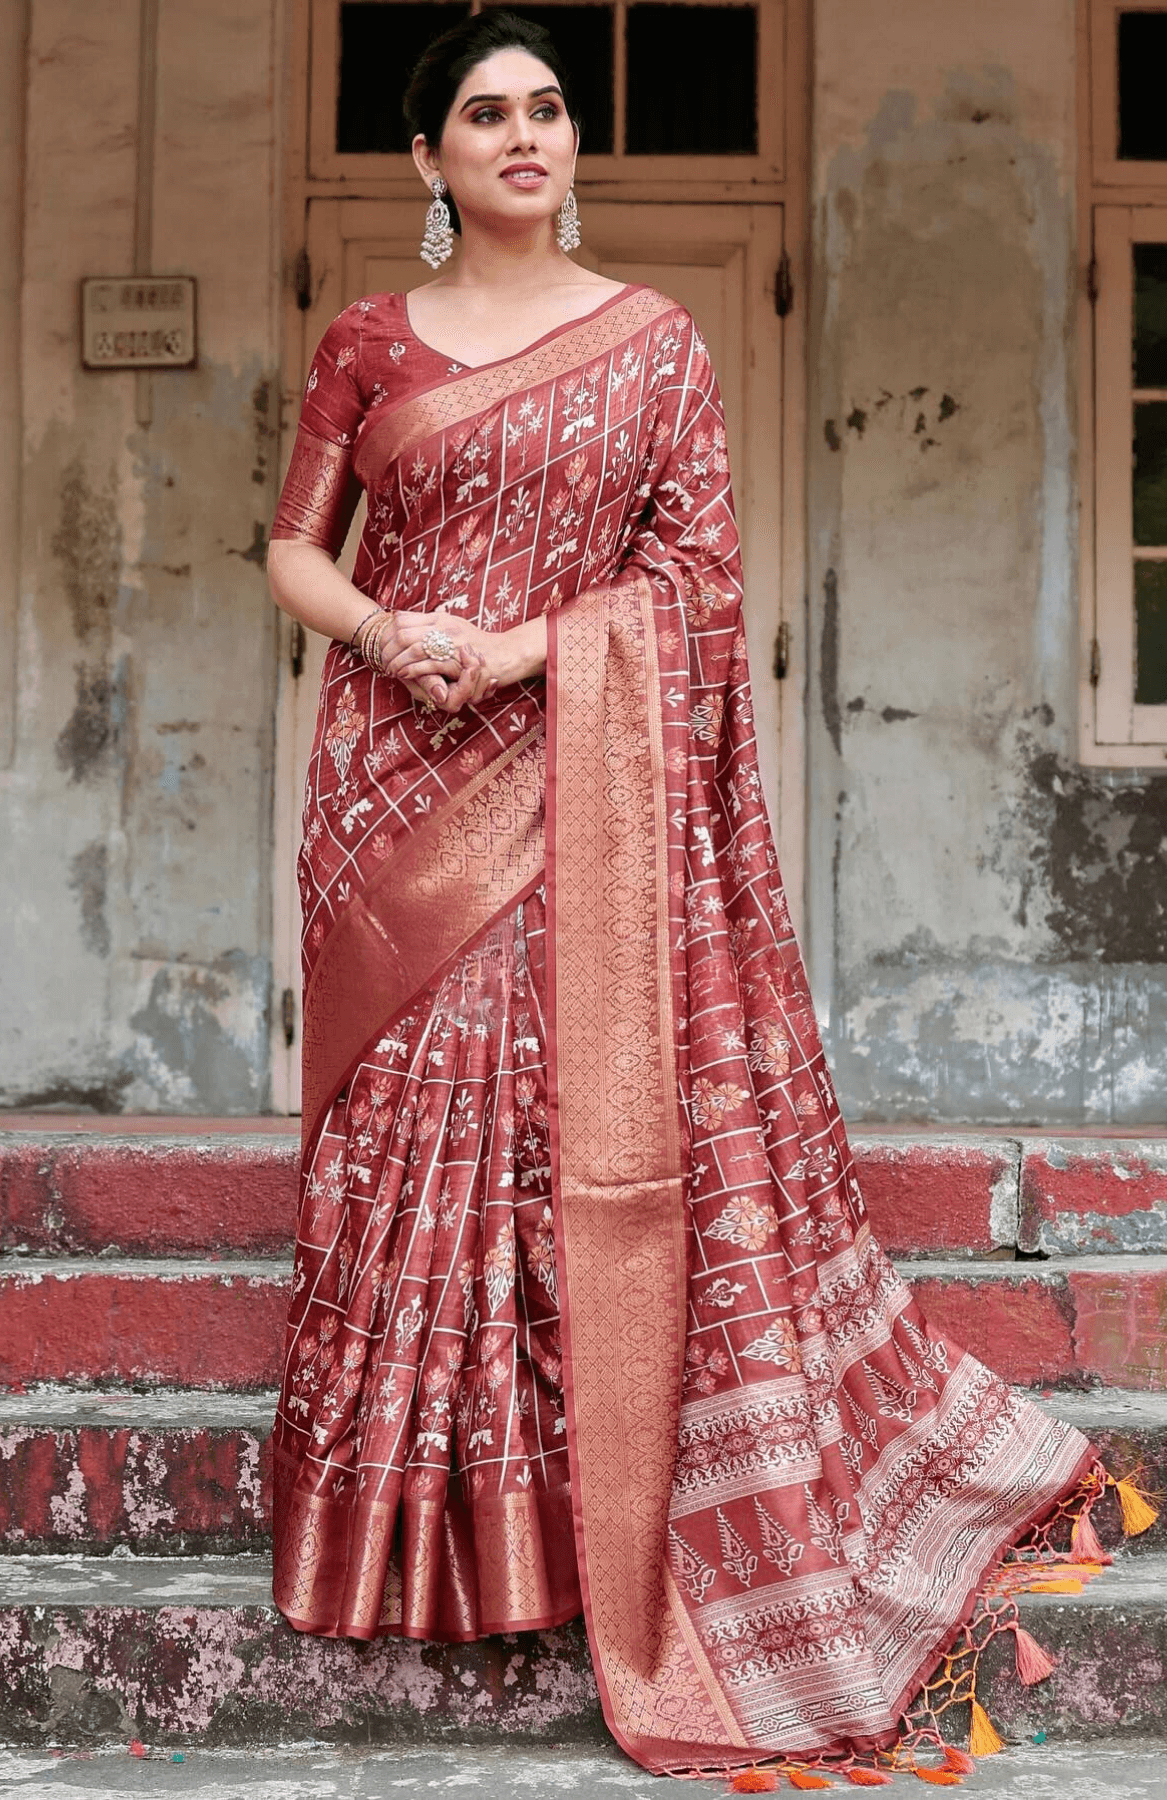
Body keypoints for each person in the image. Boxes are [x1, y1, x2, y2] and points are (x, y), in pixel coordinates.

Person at [266, 10, 1110, 1777]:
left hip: (569, 773)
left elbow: (697, 583)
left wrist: (514, 651)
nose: (523, 135)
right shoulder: (366, 337)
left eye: (549, 109)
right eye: (484, 114)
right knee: (412, 1122)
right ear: (427, 161)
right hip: (393, 778)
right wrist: (393, 632)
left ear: (575, 146)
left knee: (548, 1121)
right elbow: (293, 543)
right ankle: (407, 1547)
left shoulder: (655, 346)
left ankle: (578, 1534)